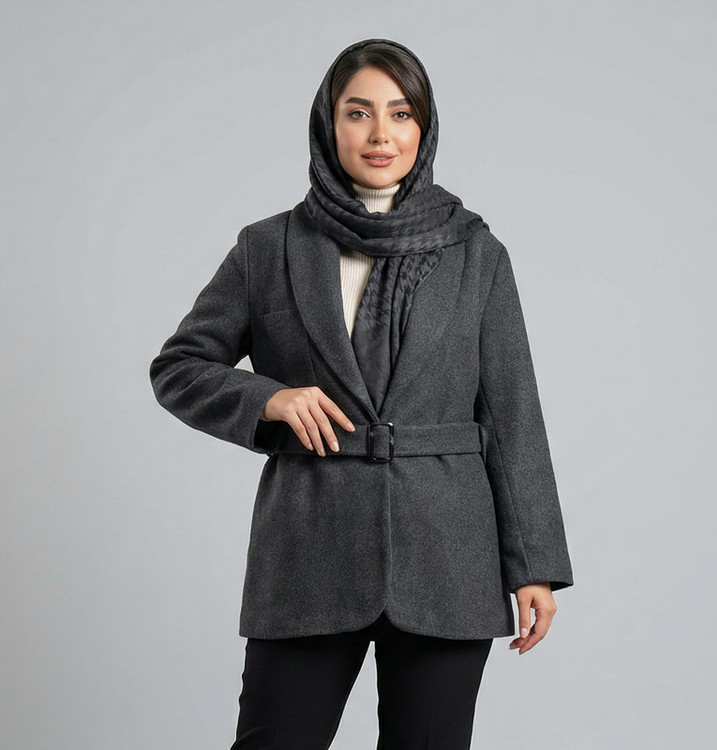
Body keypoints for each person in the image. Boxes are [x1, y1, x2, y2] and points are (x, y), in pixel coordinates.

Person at [150, 37, 574, 750]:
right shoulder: (268, 247)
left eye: (401, 114)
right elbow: (180, 366)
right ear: (329, 124)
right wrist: (269, 399)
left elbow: (511, 412)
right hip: (308, 549)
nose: (381, 134)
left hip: (449, 557)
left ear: (423, 127)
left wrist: (534, 565)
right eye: (359, 112)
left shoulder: (477, 254)